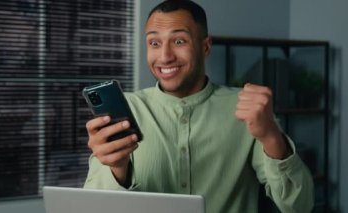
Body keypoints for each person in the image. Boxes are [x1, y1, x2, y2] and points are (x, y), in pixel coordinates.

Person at [83, 0, 314, 212]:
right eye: (154, 42)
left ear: (205, 47)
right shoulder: (126, 111)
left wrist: (271, 136)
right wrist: (116, 169)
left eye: (179, 41)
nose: (164, 56)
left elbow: (298, 206)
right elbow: (94, 209)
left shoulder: (248, 109)